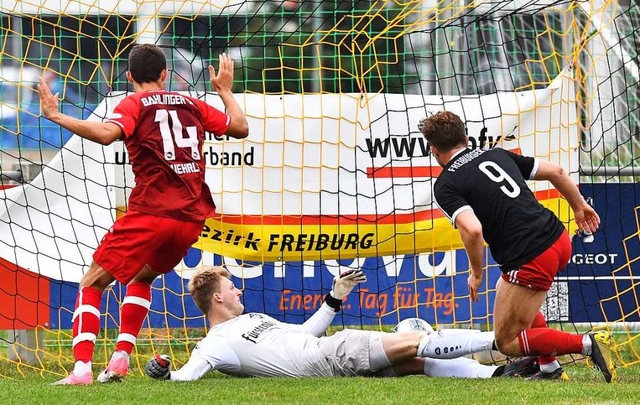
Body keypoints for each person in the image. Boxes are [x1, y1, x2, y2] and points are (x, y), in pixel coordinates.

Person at [37, 44, 249, 385]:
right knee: (142, 277)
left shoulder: (133, 103)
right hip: (191, 216)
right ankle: (120, 360)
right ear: (165, 74)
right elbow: (240, 127)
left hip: (151, 211)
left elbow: (107, 135)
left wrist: (57, 116)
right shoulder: (192, 103)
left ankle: (81, 371)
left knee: (92, 282)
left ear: (129, 76)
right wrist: (224, 91)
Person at [418, 110, 616, 382]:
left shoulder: (446, 184)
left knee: (507, 341)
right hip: (558, 237)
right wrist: (579, 207)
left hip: (531, 255)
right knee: (506, 290)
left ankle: (588, 344)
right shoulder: (495, 154)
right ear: (465, 136)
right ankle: (549, 368)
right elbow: (556, 171)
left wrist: (476, 274)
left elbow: (472, 229)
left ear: (433, 149)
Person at [144, 266, 538, 381]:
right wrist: (164, 372)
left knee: (413, 361)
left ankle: (498, 375)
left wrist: (335, 295)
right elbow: (188, 376)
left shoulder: (253, 318)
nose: (238, 291)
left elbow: (303, 333)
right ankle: (505, 340)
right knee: (416, 337)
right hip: (329, 358)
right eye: (232, 288)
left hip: (324, 353)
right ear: (217, 298)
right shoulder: (213, 343)